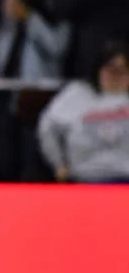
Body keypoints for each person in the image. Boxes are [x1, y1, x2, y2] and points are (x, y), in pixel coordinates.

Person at [37, 39, 129, 182]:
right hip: (87, 178)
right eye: (110, 69)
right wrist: (59, 164)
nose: (116, 76)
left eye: (122, 71)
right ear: (98, 69)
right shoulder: (77, 93)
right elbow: (47, 126)